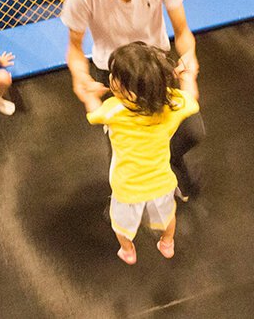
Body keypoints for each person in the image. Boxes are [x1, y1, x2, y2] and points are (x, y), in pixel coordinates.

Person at [61, 0, 205, 199]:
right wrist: (80, 77)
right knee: (122, 147)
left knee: (193, 131)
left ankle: (164, 164)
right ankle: (124, 199)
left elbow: (183, 32)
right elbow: (74, 47)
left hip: (156, 66)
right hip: (114, 72)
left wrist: (189, 60)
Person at [78, 42, 199, 265]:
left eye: (115, 76)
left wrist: (90, 95)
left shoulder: (114, 110)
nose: (111, 78)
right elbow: (191, 99)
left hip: (127, 188)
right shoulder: (170, 104)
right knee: (167, 218)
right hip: (162, 184)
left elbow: (94, 112)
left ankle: (127, 250)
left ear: (130, 92)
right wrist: (188, 78)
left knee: (120, 225)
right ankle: (167, 242)